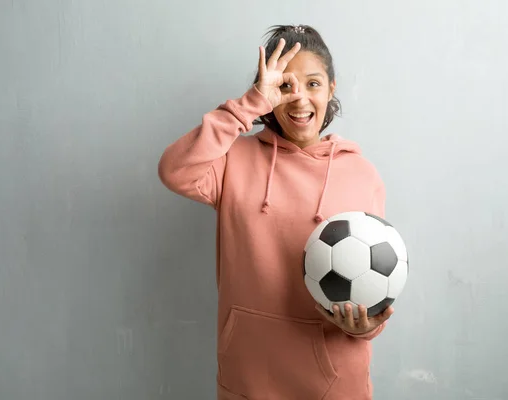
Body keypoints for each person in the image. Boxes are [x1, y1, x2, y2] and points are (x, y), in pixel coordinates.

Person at [158, 24, 394, 400]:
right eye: (285, 86)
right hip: (248, 376)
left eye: (313, 84)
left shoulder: (360, 175)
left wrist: (365, 327)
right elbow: (174, 170)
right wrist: (249, 104)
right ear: (269, 94)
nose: (300, 99)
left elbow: (376, 287)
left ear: (331, 88)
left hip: (334, 381)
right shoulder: (233, 160)